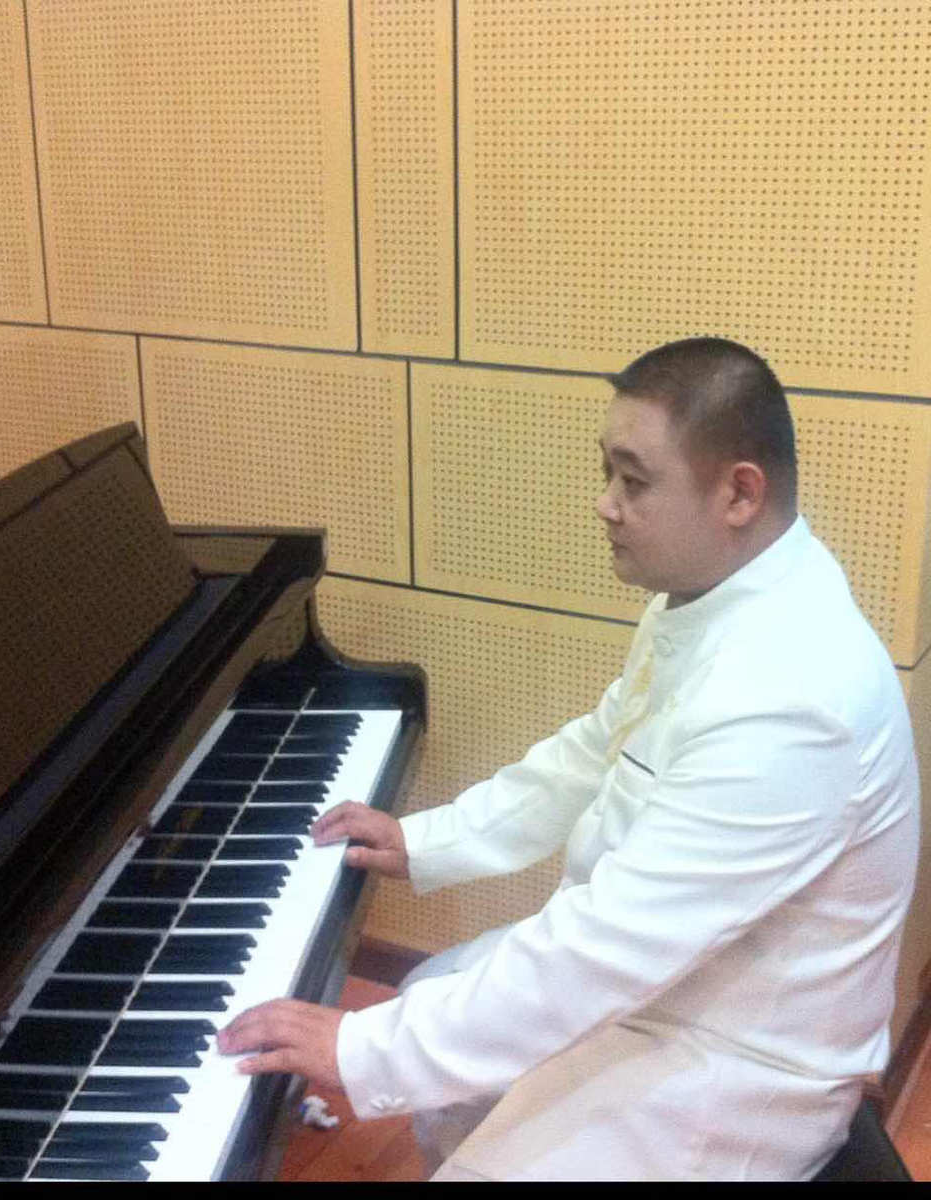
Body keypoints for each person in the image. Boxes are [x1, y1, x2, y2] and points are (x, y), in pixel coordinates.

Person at [217, 337, 920, 1181]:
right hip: (672, 976)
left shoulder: (795, 695)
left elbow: (611, 944)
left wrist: (361, 1049)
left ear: (739, 493)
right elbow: (596, 750)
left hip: (741, 1053)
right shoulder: (711, 600)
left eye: (634, 481)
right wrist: (428, 839)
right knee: (431, 995)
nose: (604, 504)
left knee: (445, 1081)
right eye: (607, 472)